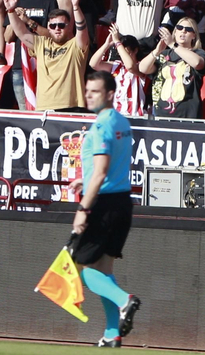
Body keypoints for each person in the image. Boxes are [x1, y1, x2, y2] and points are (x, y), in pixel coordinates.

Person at [70, 69, 143, 349]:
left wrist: (83, 209)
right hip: (122, 203)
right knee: (103, 270)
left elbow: (100, 173)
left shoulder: (101, 126)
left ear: (110, 94)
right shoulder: (122, 122)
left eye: (95, 92)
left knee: (81, 268)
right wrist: (85, 179)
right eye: (87, 91)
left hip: (103, 205)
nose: (89, 96)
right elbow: (106, 168)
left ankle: (125, 300)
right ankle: (113, 333)